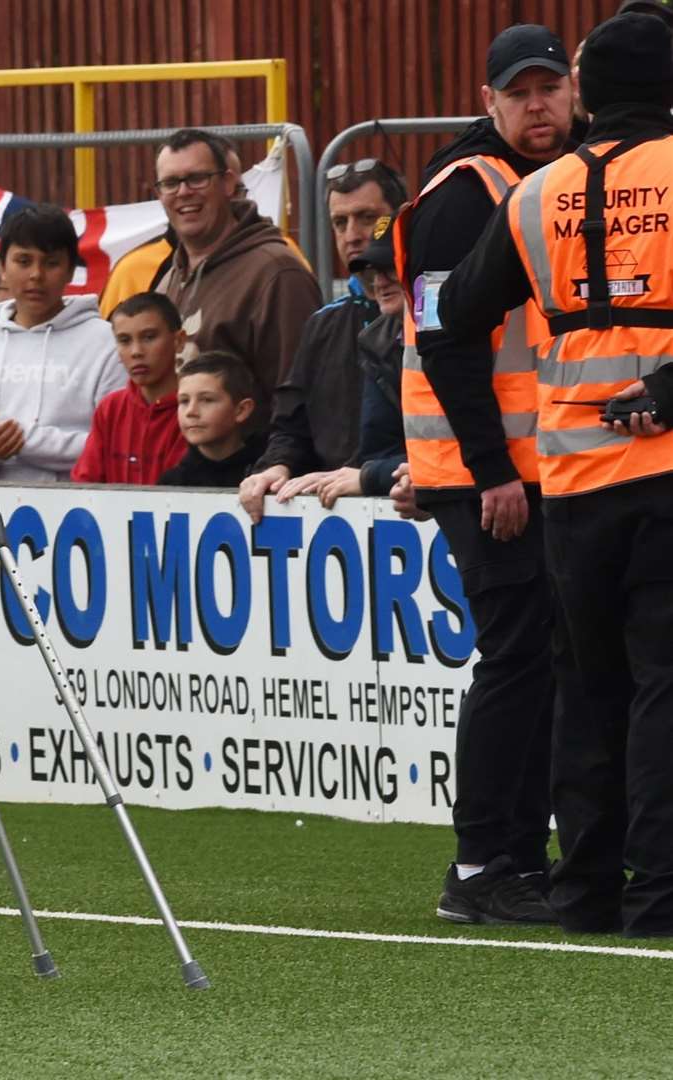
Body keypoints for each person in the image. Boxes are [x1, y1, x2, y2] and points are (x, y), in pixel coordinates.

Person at [438, 11, 673, 938]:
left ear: (586, 90)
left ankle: (583, 893)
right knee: (662, 685)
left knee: (586, 687)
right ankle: (658, 894)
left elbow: (452, 311)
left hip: (570, 480)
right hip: (662, 470)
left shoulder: (538, 192)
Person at [397, 22, 577, 927]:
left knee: (543, 657)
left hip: (535, 468)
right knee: (514, 657)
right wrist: (489, 470)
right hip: (485, 473)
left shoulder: (544, 179)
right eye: (519, 92)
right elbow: (443, 343)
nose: (536, 104)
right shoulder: (463, 195)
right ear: (488, 102)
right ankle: (479, 865)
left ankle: (516, 851)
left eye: (549, 87)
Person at [238, 160, 409, 520]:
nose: (352, 234)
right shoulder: (323, 323)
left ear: (402, 218)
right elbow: (291, 424)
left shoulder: (440, 316)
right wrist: (276, 465)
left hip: (414, 506)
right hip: (333, 518)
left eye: (366, 217)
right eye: (339, 222)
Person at [150, 128, 323, 426]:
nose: (183, 192)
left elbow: (301, 399)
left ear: (228, 182)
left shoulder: (277, 274)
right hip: (179, 468)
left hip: (250, 469)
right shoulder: (169, 278)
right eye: (170, 183)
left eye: (197, 178)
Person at [0, 203, 125, 482]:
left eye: (51, 263)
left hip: (78, 517)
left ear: (71, 271)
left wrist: (24, 440)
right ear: (4, 267)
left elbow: (116, 446)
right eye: (24, 261)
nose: (36, 274)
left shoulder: (106, 343)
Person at [269, 216, 409, 509]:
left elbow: (457, 450)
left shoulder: (452, 335)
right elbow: (378, 451)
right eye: (373, 272)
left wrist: (370, 478)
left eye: (390, 268)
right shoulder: (374, 341)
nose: (380, 282)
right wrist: (277, 464)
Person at [71, 292, 188, 484]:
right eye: (124, 341)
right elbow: (85, 484)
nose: (136, 352)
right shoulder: (110, 408)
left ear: (179, 341)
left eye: (149, 337)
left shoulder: (193, 408)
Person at [158, 352, 263, 487]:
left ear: (241, 410)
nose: (191, 411)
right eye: (184, 401)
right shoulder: (172, 483)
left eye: (207, 400)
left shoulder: (267, 476)